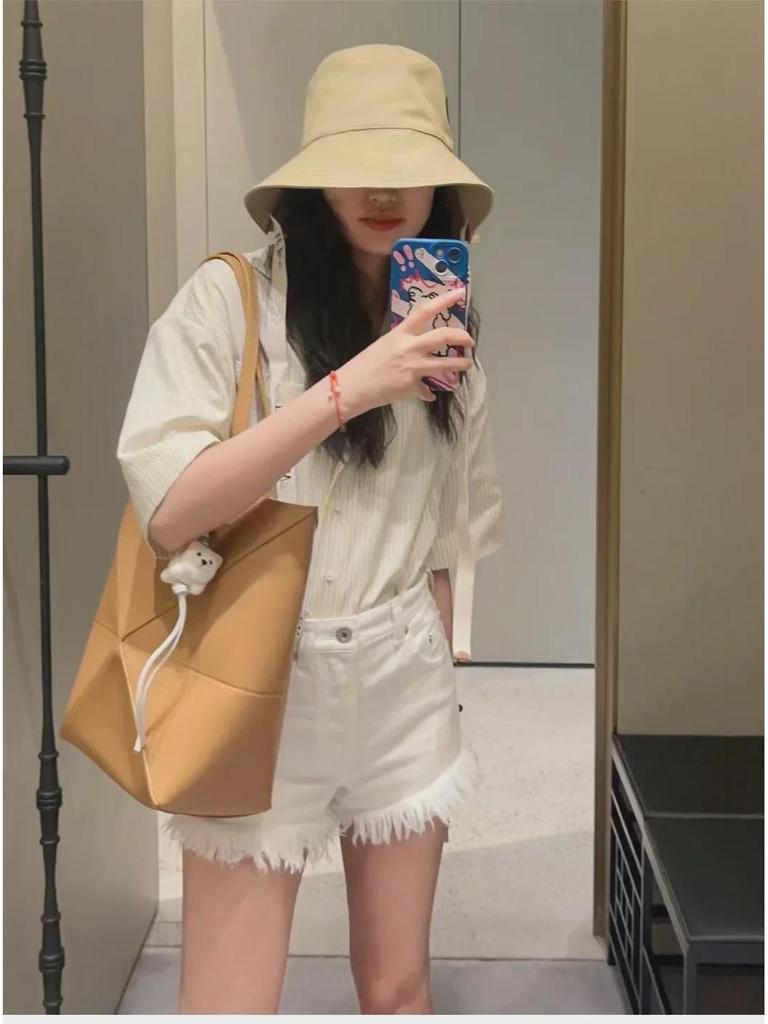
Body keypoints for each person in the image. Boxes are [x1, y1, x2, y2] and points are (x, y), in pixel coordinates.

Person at [116, 43, 503, 1015]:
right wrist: (349, 390)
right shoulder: (229, 300)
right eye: (357, 162)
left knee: (399, 988)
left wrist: (442, 659)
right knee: (230, 1000)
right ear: (311, 179)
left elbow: (448, 522)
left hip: (403, 673)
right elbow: (170, 509)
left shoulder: (442, 324)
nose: (383, 189)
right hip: (261, 676)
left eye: (408, 164)